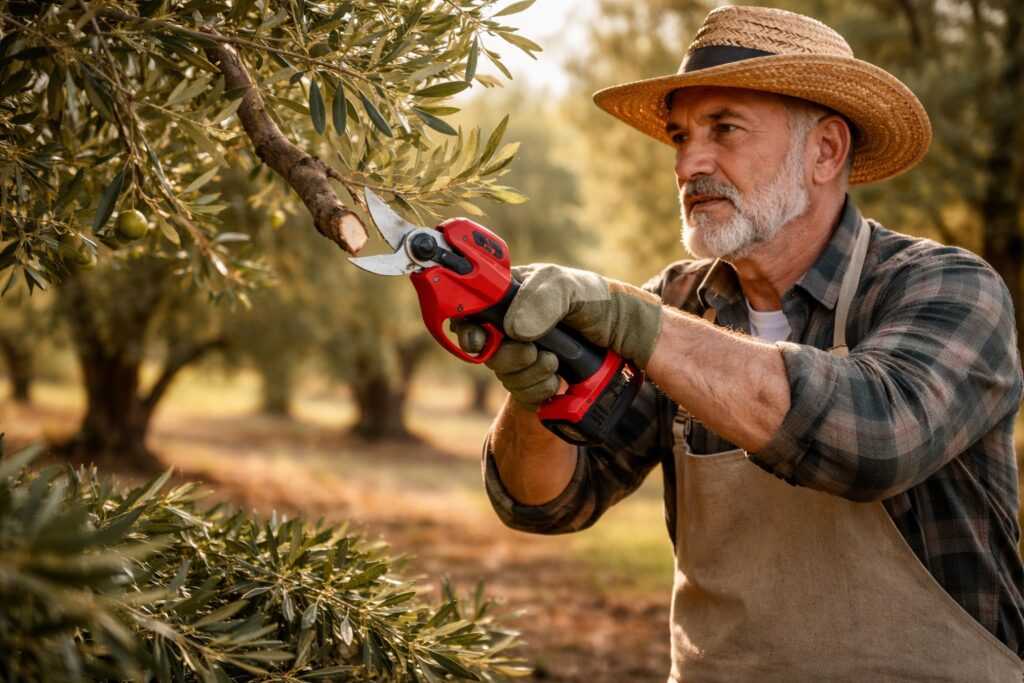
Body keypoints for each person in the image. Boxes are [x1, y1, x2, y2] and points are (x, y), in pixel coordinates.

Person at [454, 5, 1024, 681]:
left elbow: (877, 436)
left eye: (724, 129)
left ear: (825, 151)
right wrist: (539, 394)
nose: (689, 162)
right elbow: (545, 502)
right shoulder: (677, 306)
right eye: (680, 136)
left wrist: (631, 321)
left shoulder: (950, 289)